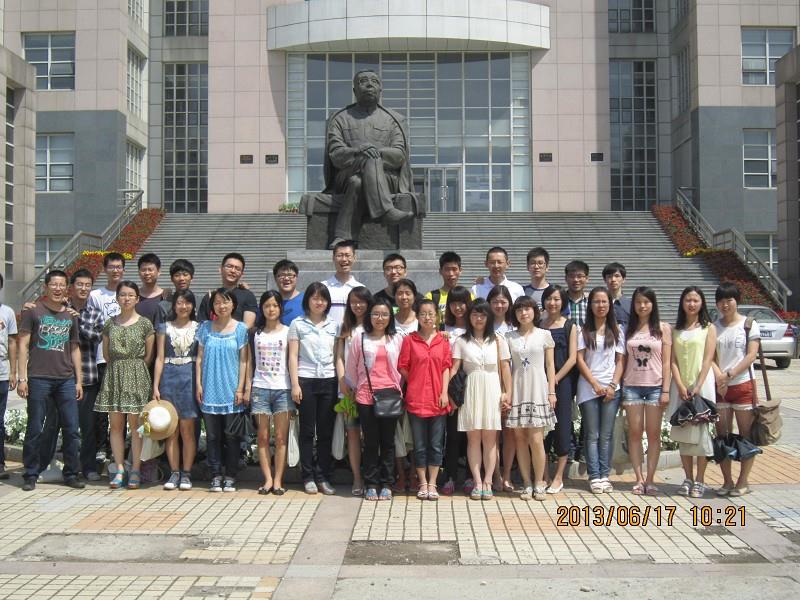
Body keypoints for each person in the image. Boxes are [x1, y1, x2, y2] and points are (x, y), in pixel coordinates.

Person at [325, 69, 415, 247]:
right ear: (354, 90)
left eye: (374, 81)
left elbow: (399, 155)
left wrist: (376, 153)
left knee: (358, 180)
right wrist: (358, 152)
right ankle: (386, 210)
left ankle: (343, 236)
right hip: (346, 174)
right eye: (363, 81)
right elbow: (336, 155)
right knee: (362, 166)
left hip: (386, 178)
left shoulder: (393, 120)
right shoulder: (339, 119)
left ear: (380, 89)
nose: (369, 85)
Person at [16, 271, 85, 491]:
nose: (57, 288)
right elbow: (22, 345)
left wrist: (79, 380)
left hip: (66, 379)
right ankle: (30, 473)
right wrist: (22, 378)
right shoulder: (33, 311)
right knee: (35, 427)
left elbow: (75, 348)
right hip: (38, 378)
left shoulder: (71, 315)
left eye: (61, 285)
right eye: (53, 284)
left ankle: (71, 473)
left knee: (71, 428)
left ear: (67, 288)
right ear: (46, 287)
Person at [95, 281, 155, 490]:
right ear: (117, 298)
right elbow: (106, 354)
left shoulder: (145, 324)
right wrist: (120, 367)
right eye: (122, 295)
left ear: (137, 299)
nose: (126, 298)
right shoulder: (110, 324)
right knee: (116, 426)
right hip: (115, 375)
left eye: (131, 295)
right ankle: (119, 468)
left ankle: (136, 469)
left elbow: (149, 356)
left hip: (138, 375)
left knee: (138, 427)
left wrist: (134, 368)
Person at [345, 298, 405, 501]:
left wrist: (398, 388)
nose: (380, 318)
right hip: (366, 396)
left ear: (390, 317)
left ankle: (387, 483)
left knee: (388, 442)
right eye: (376, 314)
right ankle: (371, 483)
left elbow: (403, 367)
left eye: (385, 314)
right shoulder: (360, 338)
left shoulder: (397, 338)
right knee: (370, 442)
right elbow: (351, 369)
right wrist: (358, 388)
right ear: (369, 316)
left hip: (390, 396)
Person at [452, 301, 512, 500]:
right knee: (473, 439)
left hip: (493, 389)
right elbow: (454, 369)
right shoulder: (461, 341)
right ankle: (477, 481)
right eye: (475, 314)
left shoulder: (498, 340)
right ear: (469, 317)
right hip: (470, 390)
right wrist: (450, 395)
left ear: (489, 317)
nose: (478, 319)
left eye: (483, 315)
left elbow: (505, 368)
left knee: (490, 439)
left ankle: (488, 481)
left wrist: (508, 393)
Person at [398, 299, 452, 501]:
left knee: (436, 444)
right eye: (423, 313)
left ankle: (433, 483)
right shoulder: (409, 340)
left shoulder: (443, 340)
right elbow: (402, 366)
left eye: (431, 313)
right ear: (417, 317)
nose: (427, 317)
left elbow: (446, 367)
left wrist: (444, 392)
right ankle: (422, 482)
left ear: (437, 316)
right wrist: (414, 381)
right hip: (416, 399)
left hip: (438, 399)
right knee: (419, 445)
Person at [196, 288, 249, 493]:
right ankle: (216, 475)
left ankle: (231, 476)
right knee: (212, 436)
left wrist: (241, 388)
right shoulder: (205, 328)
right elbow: (199, 359)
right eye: (217, 302)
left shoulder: (241, 329)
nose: (221, 306)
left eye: (225, 301)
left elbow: (244, 361)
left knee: (231, 436)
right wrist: (199, 384)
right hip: (209, 388)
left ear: (233, 304)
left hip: (231, 390)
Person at [288, 282, 339, 495]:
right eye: (315, 298)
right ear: (307, 300)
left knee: (326, 431)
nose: (319, 302)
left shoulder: (334, 325)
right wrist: (295, 384)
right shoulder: (297, 324)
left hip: (328, 380)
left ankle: (323, 476)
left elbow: (338, 356)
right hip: (306, 380)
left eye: (323, 298)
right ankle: (307, 476)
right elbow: (292, 356)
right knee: (307, 431)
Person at [505, 296, 557, 501]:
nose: (523, 313)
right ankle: (526, 483)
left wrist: (551, 392)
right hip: (518, 389)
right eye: (519, 310)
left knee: (536, 439)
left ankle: (539, 482)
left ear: (535, 311)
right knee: (520, 438)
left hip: (538, 390)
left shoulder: (545, 335)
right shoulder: (509, 337)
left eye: (527, 309)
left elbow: (550, 365)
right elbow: (505, 367)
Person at [712, 282, 760, 497]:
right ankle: (727, 481)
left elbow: (751, 355)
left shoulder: (749, 324)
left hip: (742, 385)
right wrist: (719, 377)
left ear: (737, 301)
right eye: (721, 300)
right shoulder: (713, 327)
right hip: (720, 388)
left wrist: (729, 374)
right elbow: (710, 357)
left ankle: (743, 481)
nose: (725, 304)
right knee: (722, 435)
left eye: (729, 300)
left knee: (745, 436)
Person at [622, 287, 671, 495]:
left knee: (653, 434)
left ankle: (650, 479)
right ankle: (638, 478)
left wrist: (666, 390)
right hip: (632, 386)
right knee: (634, 433)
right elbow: (622, 360)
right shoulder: (628, 329)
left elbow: (667, 362)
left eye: (646, 302)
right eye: (638, 302)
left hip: (655, 387)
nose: (642, 306)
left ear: (653, 304)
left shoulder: (663, 328)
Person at [668, 286, 717, 499]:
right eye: (688, 300)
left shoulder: (708, 328)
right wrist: (679, 384)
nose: (691, 304)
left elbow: (708, 359)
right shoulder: (675, 329)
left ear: (702, 303)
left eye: (695, 300)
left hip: (702, 386)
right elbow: (673, 360)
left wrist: (697, 386)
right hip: (680, 387)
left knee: (701, 434)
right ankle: (687, 478)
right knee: (683, 433)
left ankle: (700, 480)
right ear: (682, 303)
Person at [576, 287, 625, 494]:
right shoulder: (583, 331)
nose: (601, 305)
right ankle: (594, 476)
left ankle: (605, 475)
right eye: (596, 301)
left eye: (604, 301)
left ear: (610, 305)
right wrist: (594, 383)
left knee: (606, 434)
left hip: (611, 388)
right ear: (590, 305)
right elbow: (579, 359)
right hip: (588, 388)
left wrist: (612, 385)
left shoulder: (618, 330)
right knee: (592, 434)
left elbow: (620, 361)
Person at [246, 290, 293, 496]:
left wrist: (295, 386)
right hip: (260, 388)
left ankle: (278, 480)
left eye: (274, 305)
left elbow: (293, 360)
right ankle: (267, 479)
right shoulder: (255, 333)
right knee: (263, 436)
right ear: (261, 309)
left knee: (281, 437)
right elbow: (249, 362)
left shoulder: (289, 332)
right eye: (266, 306)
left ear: (280, 308)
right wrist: (247, 387)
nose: (271, 309)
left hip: (283, 388)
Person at [152, 290, 200, 491]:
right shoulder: (164, 327)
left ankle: (186, 473)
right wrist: (156, 386)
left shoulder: (200, 328)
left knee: (187, 430)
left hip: (190, 377)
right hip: (169, 378)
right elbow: (159, 357)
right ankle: (174, 472)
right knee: (170, 429)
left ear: (193, 306)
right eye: (179, 302)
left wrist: (200, 384)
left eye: (187, 303)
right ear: (173, 305)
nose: (183, 306)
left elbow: (201, 359)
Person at [87, 251, 127, 462]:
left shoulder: (129, 291)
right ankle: (101, 446)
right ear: (105, 269)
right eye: (111, 267)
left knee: (123, 405)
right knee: (103, 404)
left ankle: (120, 446)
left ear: (123, 269)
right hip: (103, 359)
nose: (115, 270)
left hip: (126, 360)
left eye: (119, 266)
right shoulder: (96, 295)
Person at [335, 286, 373, 496]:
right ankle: (357, 478)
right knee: (352, 433)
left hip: (371, 389)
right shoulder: (346, 327)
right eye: (353, 301)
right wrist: (343, 381)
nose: (358, 305)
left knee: (371, 435)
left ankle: (372, 477)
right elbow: (339, 356)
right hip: (349, 389)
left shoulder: (374, 325)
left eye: (361, 301)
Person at [539, 285, 577, 494]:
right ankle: (544, 475)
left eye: (556, 299)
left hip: (563, 384)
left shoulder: (570, 326)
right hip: (539, 383)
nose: (552, 303)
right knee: (541, 430)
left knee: (562, 427)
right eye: (548, 299)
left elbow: (572, 358)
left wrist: (554, 380)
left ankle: (558, 477)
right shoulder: (538, 325)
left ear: (563, 302)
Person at [441, 285, 472, 495]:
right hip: (451, 386)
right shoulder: (443, 329)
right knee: (451, 435)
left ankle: (470, 476)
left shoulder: (475, 327)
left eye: (462, 302)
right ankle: (450, 476)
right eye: (453, 303)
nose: (458, 307)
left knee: (471, 435)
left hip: (473, 385)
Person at [487, 284, 515, 492]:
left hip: (514, 384)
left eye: (503, 302)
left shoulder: (515, 325)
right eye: (495, 302)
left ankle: (507, 476)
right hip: (491, 386)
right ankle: (495, 475)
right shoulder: (484, 326)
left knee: (510, 434)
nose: (499, 305)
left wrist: (510, 390)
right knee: (493, 434)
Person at [197, 253, 258, 328]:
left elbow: (248, 325)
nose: (233, 271)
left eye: (237, 269)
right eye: (229, 266)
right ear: (220, 269)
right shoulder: (209, 297)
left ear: (242, 274)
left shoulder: (248, 296)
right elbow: (202, 325)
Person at [0, 273, 17, 480]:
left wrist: (13, 371)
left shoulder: (7, 312)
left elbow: (12, 342)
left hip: (2, 373)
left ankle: (0, 463)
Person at [324, 240, 364, 325]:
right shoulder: (324, 287)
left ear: (354, 258)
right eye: (339, 255)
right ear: (333, 258)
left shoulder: (361, 288)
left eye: (348, 255)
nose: (344, 259)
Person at [136, 253, 168, 326]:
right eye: (143, 270)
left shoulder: (166, 297)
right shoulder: (133, 296)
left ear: (159, 272)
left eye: (150, 270)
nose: (147, 273)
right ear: (139, 272)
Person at [273, 259, 304, 326]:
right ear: (275, 278)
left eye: (290, 275)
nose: (286, 278)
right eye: (282, 275)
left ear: (296, 277)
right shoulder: (270, 301)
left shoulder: (306, 300)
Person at [603, 262, 631, 328]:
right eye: (609, 276)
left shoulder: (631, 305)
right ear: (604, 280)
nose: (613, 280)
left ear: (623, 279)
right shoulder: (599, 304)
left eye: (617, 276)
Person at [564, 260, 590, 327]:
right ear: (566, 278)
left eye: (580, 276)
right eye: (571, 276)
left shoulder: (591, 302)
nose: (576, 280)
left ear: (587, 279)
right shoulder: (560, 302)